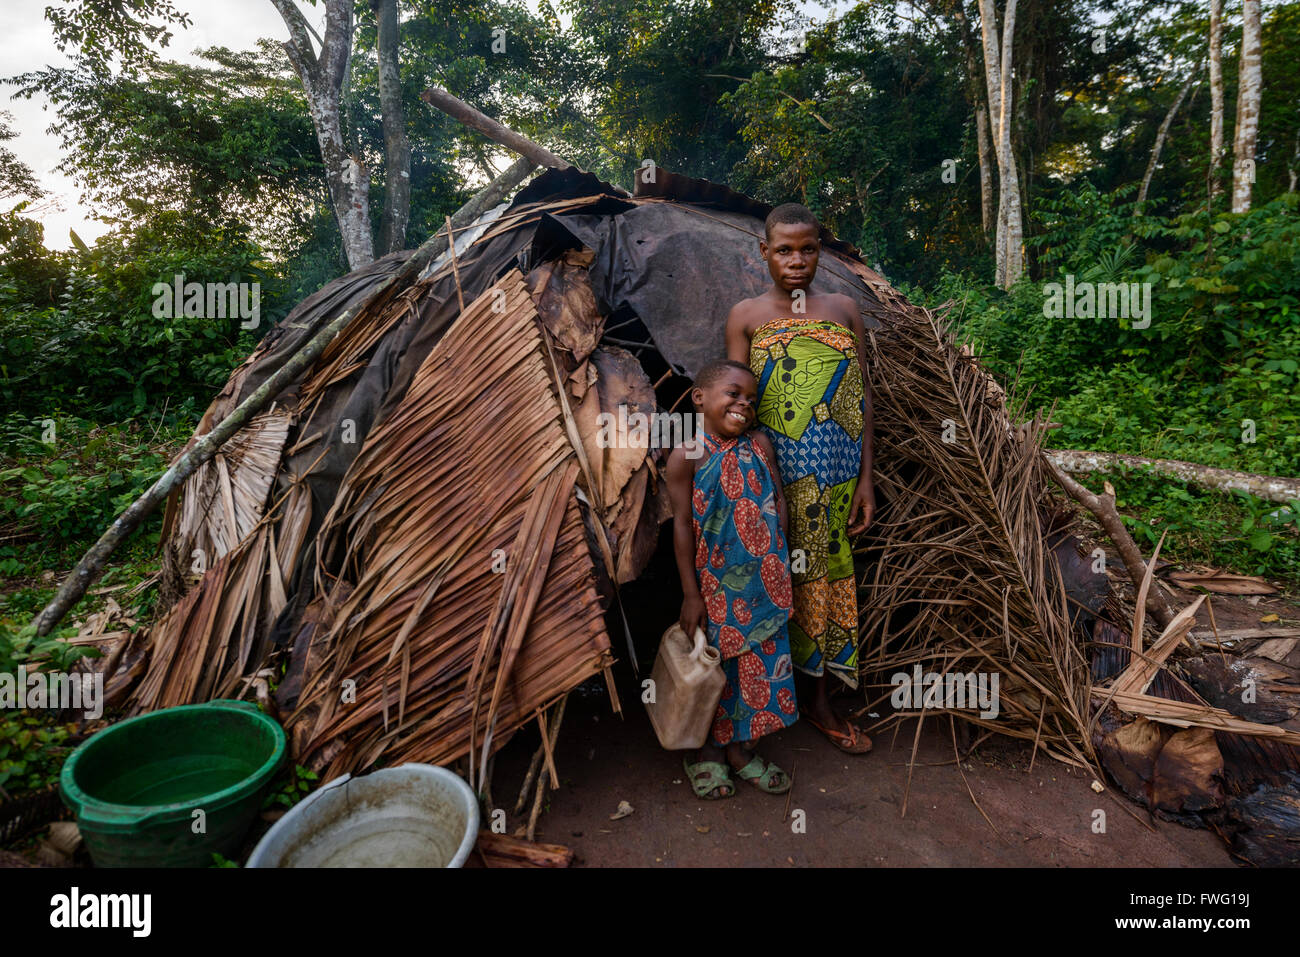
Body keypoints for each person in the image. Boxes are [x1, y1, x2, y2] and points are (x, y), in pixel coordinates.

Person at [724, 202, 876, 754]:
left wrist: (865, 479)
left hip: (835, 480)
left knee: (824, 583)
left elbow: (860, 401)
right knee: (770, 580)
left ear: (821, 252)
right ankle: (763, 704)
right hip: (773, 478)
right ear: (763, 252)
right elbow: (734, 404)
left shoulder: (843, 309)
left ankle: (817, 700)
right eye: (783, 250)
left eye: (806, 249)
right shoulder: (746, 316)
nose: (795, 260)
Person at [665, 359, 799, 799]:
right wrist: (690, 593)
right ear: (699, 398)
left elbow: (777, 496)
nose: (743, 404)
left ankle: (742, 750)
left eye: (750, 399)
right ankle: (706, 753)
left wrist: (777, 555)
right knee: (715, 670)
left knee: (757, 669)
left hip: (766, 582)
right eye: (733, 394)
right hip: (716, 587)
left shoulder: (760, 444)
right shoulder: (687, 454)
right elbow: (682, 524)